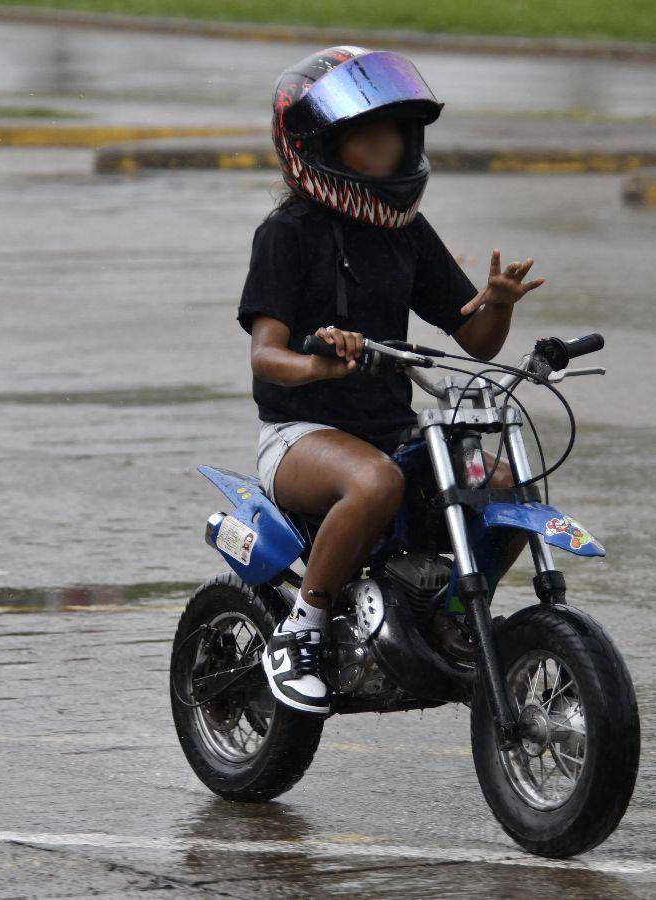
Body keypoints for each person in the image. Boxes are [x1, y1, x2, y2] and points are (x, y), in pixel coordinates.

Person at [237, 47, 546, 715]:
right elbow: (266, 356)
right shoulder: (286, 233)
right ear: (319, 143)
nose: (387, 146)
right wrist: (317, 363)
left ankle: (449, 616)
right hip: (302, 436)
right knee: (376, 479)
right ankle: (304, 628)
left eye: (396, 132)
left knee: (508, 489)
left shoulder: (405, 231)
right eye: (366, 133)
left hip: (392, 431)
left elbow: (477, 342)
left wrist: (497, 304)